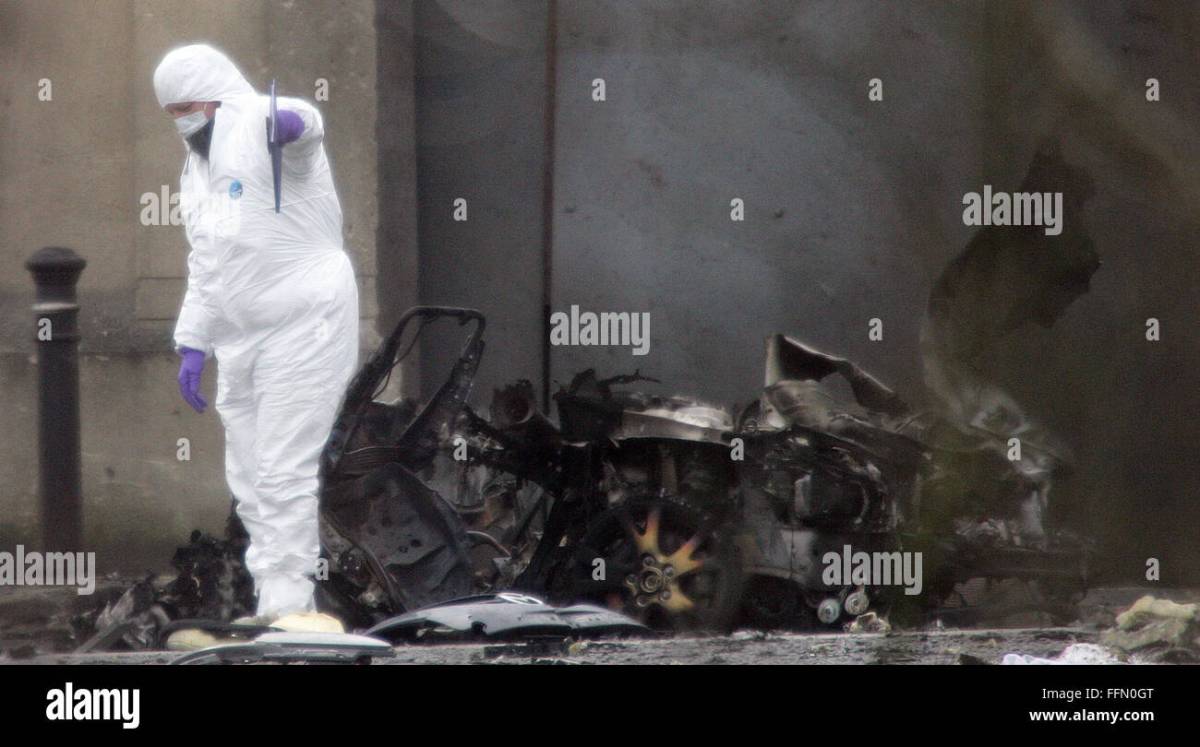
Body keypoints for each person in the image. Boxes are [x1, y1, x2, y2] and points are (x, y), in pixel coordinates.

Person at [153, 44, 359, 619]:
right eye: (173, 112)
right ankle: (274, 602)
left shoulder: (258, 126)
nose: (183, 122)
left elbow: (304, 131)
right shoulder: (195, 171)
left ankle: (291, 600)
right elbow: (208, 261)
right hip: (241, 336)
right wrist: (193, 340)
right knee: (247, 475)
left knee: (281, 467)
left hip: (305, 321)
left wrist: (297, 123)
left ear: (216, 95)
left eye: (189, 107)